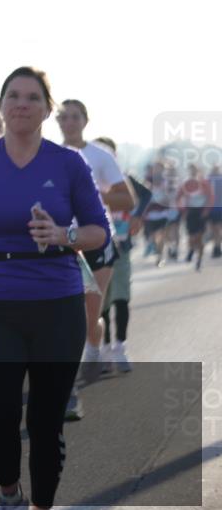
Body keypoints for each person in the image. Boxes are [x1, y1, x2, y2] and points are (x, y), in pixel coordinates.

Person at [0, 66, 110, 510]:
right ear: (1, 105)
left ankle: (41, 509)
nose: (22, 103)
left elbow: (98, 232)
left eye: (32, 97)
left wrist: (64, 233)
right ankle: (9, 495)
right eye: (13, 96)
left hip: (57, 304)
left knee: (45, 421)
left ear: (47, 109)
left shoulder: (68, 164)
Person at [57, 99, 135, 383]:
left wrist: (89, 195)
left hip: (99, 239)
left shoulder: (100, 155)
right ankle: (73, 364)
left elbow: (127, 199)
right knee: (67, 311)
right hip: (64, 242)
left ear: (85, 121)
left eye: (75, 117)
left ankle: (93, 349)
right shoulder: (49, 156)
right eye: (63, 118)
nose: (69, 122)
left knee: (91, 311)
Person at [92, 137, 151, 373]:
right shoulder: (88, 180)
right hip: (97, 248)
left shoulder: (123, 180)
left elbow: (145, 194)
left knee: (121, 297)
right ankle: (105, 349)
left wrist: (137, 216)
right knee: (102, 302)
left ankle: (120, 346)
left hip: (122, 246)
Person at [176, 163, 215, 271]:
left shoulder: (204, 183)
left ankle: (199, 260)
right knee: (192, 237)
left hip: (201, 212)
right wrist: (183, 211)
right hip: (190, 212)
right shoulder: (185, 184)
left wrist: (206, 211)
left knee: (199, 237)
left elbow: (211, 197)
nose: (192, 173)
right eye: (190, 170)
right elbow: (178, 198)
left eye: (194, 170)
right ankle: (192, 249)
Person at [209, 164, 222, 258]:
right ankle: (216, 246)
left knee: (217, 229)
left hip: (218, 208)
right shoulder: (208, 179)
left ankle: (217, 246)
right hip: (212, 209)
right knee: (214, 229)